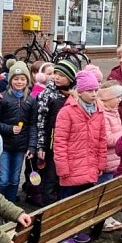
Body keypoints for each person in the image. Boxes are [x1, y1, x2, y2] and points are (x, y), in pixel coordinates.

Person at [53, 70, 107, 243]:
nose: (94, 94)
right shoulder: (67, 112)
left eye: (96, 90)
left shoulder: (99, 111)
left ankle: (75, 231)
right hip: (71, 168)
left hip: (89, 167)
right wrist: (62, 167)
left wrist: (101, 163)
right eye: (90, 90)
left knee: (83, 203)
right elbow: (59, 142)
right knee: (67, 204)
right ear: (81, 91)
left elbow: (101, 140)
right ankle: (62, 235)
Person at [0, 62, 37, 203]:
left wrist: (31, 146)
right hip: (4, 145)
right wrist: (9, 129)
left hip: (21, 147)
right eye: (16, 78)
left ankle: (10, 205)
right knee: (3, 178)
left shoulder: (31, 100)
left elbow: (33, 125)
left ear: (27, 81)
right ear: (10, 80)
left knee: (15, 178)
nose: (19, 82)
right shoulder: (2, 98)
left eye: (22, 79)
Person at [31, 60, 78, 206]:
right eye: (55, 73)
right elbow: (40, 121)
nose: (56, 77)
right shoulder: (47, 94)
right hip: (51, 145)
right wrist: (41, 146)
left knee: (65, 180)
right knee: (49, 181)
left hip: (71, 144)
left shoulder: (76, 94)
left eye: (61, 75)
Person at [98, 80, 122, 232]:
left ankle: (108, 217)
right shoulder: (103, 114)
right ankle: (103, 220)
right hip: (107, 161)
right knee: (103, 192)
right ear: (108, 99)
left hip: (114, 160)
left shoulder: (113, 112)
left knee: (109, 192)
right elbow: (107, 139)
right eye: (117, 97)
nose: (119, 100)